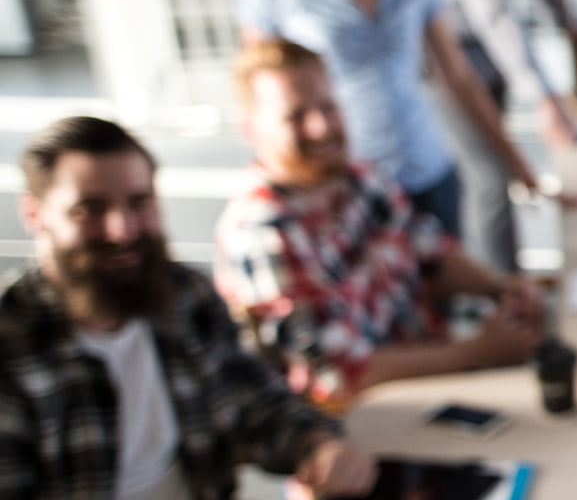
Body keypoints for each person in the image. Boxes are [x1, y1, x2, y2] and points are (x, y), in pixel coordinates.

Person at [0, 116, 375, 500]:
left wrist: (318, 445)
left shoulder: (184, 296)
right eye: (90, 210)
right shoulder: (10, 344)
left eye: (139, 203)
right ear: (34, 213)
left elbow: (255, 400)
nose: (122, 230)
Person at [213, 40, 544, 407]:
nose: (321, 127)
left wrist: (502, 289)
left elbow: (433, 257)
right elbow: (340, 376)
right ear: (250, 129)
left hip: (432, 380)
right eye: (296, 116)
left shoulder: (360, 178)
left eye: (328, 106)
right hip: (368, 417)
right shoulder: (262, 234)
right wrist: (479, 352)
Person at [237, 0, 545, 244]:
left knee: (449, 268)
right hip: (345, 185)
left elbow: (458, 76)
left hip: (428, 171)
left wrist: (516, 163)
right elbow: (262, 103)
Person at [407, 0, 577, 273]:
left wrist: (568, 22)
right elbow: (488, 3)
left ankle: (510, 283)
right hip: (444, 51)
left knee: (503, 173)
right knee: (490, 178)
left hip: (491, 48)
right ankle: (499, 293)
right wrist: (543, 98)